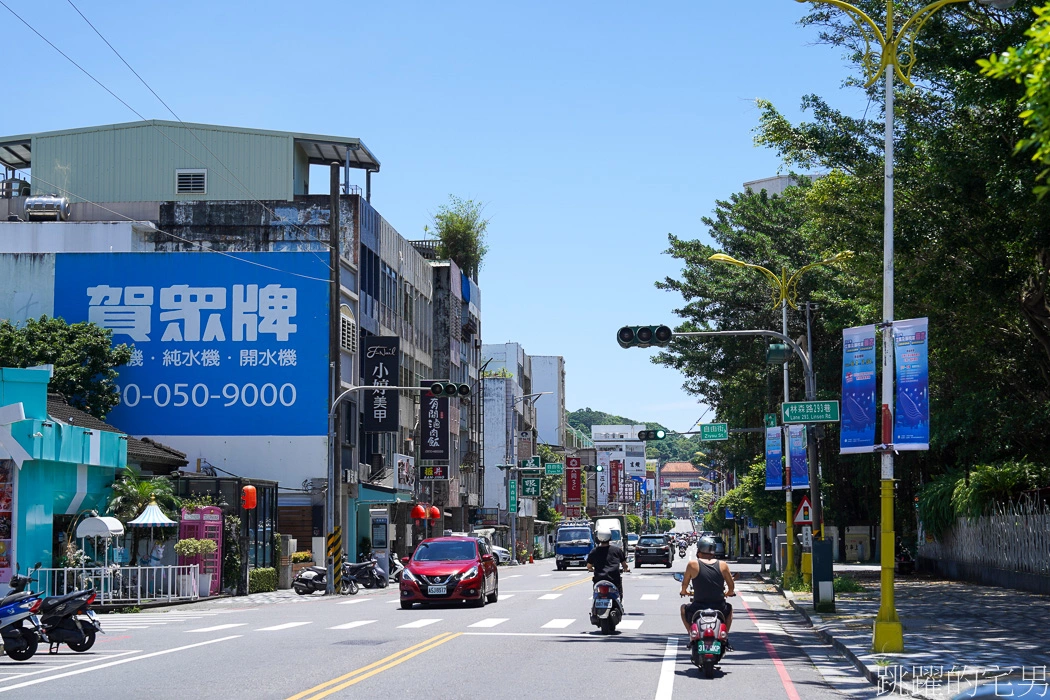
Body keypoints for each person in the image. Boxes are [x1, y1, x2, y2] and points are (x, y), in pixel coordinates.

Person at [680, 536, 735, 648]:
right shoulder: (723, 565)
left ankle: (691, 635)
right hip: (719, 606)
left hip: (698, 606)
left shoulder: (692, 564)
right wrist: (728, 593)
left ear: (699, 550)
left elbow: (684, 585)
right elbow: (731, 587)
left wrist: (684, 591)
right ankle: (725, 638)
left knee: (683, 609)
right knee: (729, 610)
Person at [586, 525, 630, 601]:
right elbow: (624, 565)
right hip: (614, 579)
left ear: (598, 538)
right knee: (618, 595)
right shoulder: (617, 550)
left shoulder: (594, 551)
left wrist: (591, 569)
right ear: (610, 537)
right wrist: (626, 569)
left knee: (596, 594)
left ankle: (594, 608)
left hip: (599, 579)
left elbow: (589, 566)